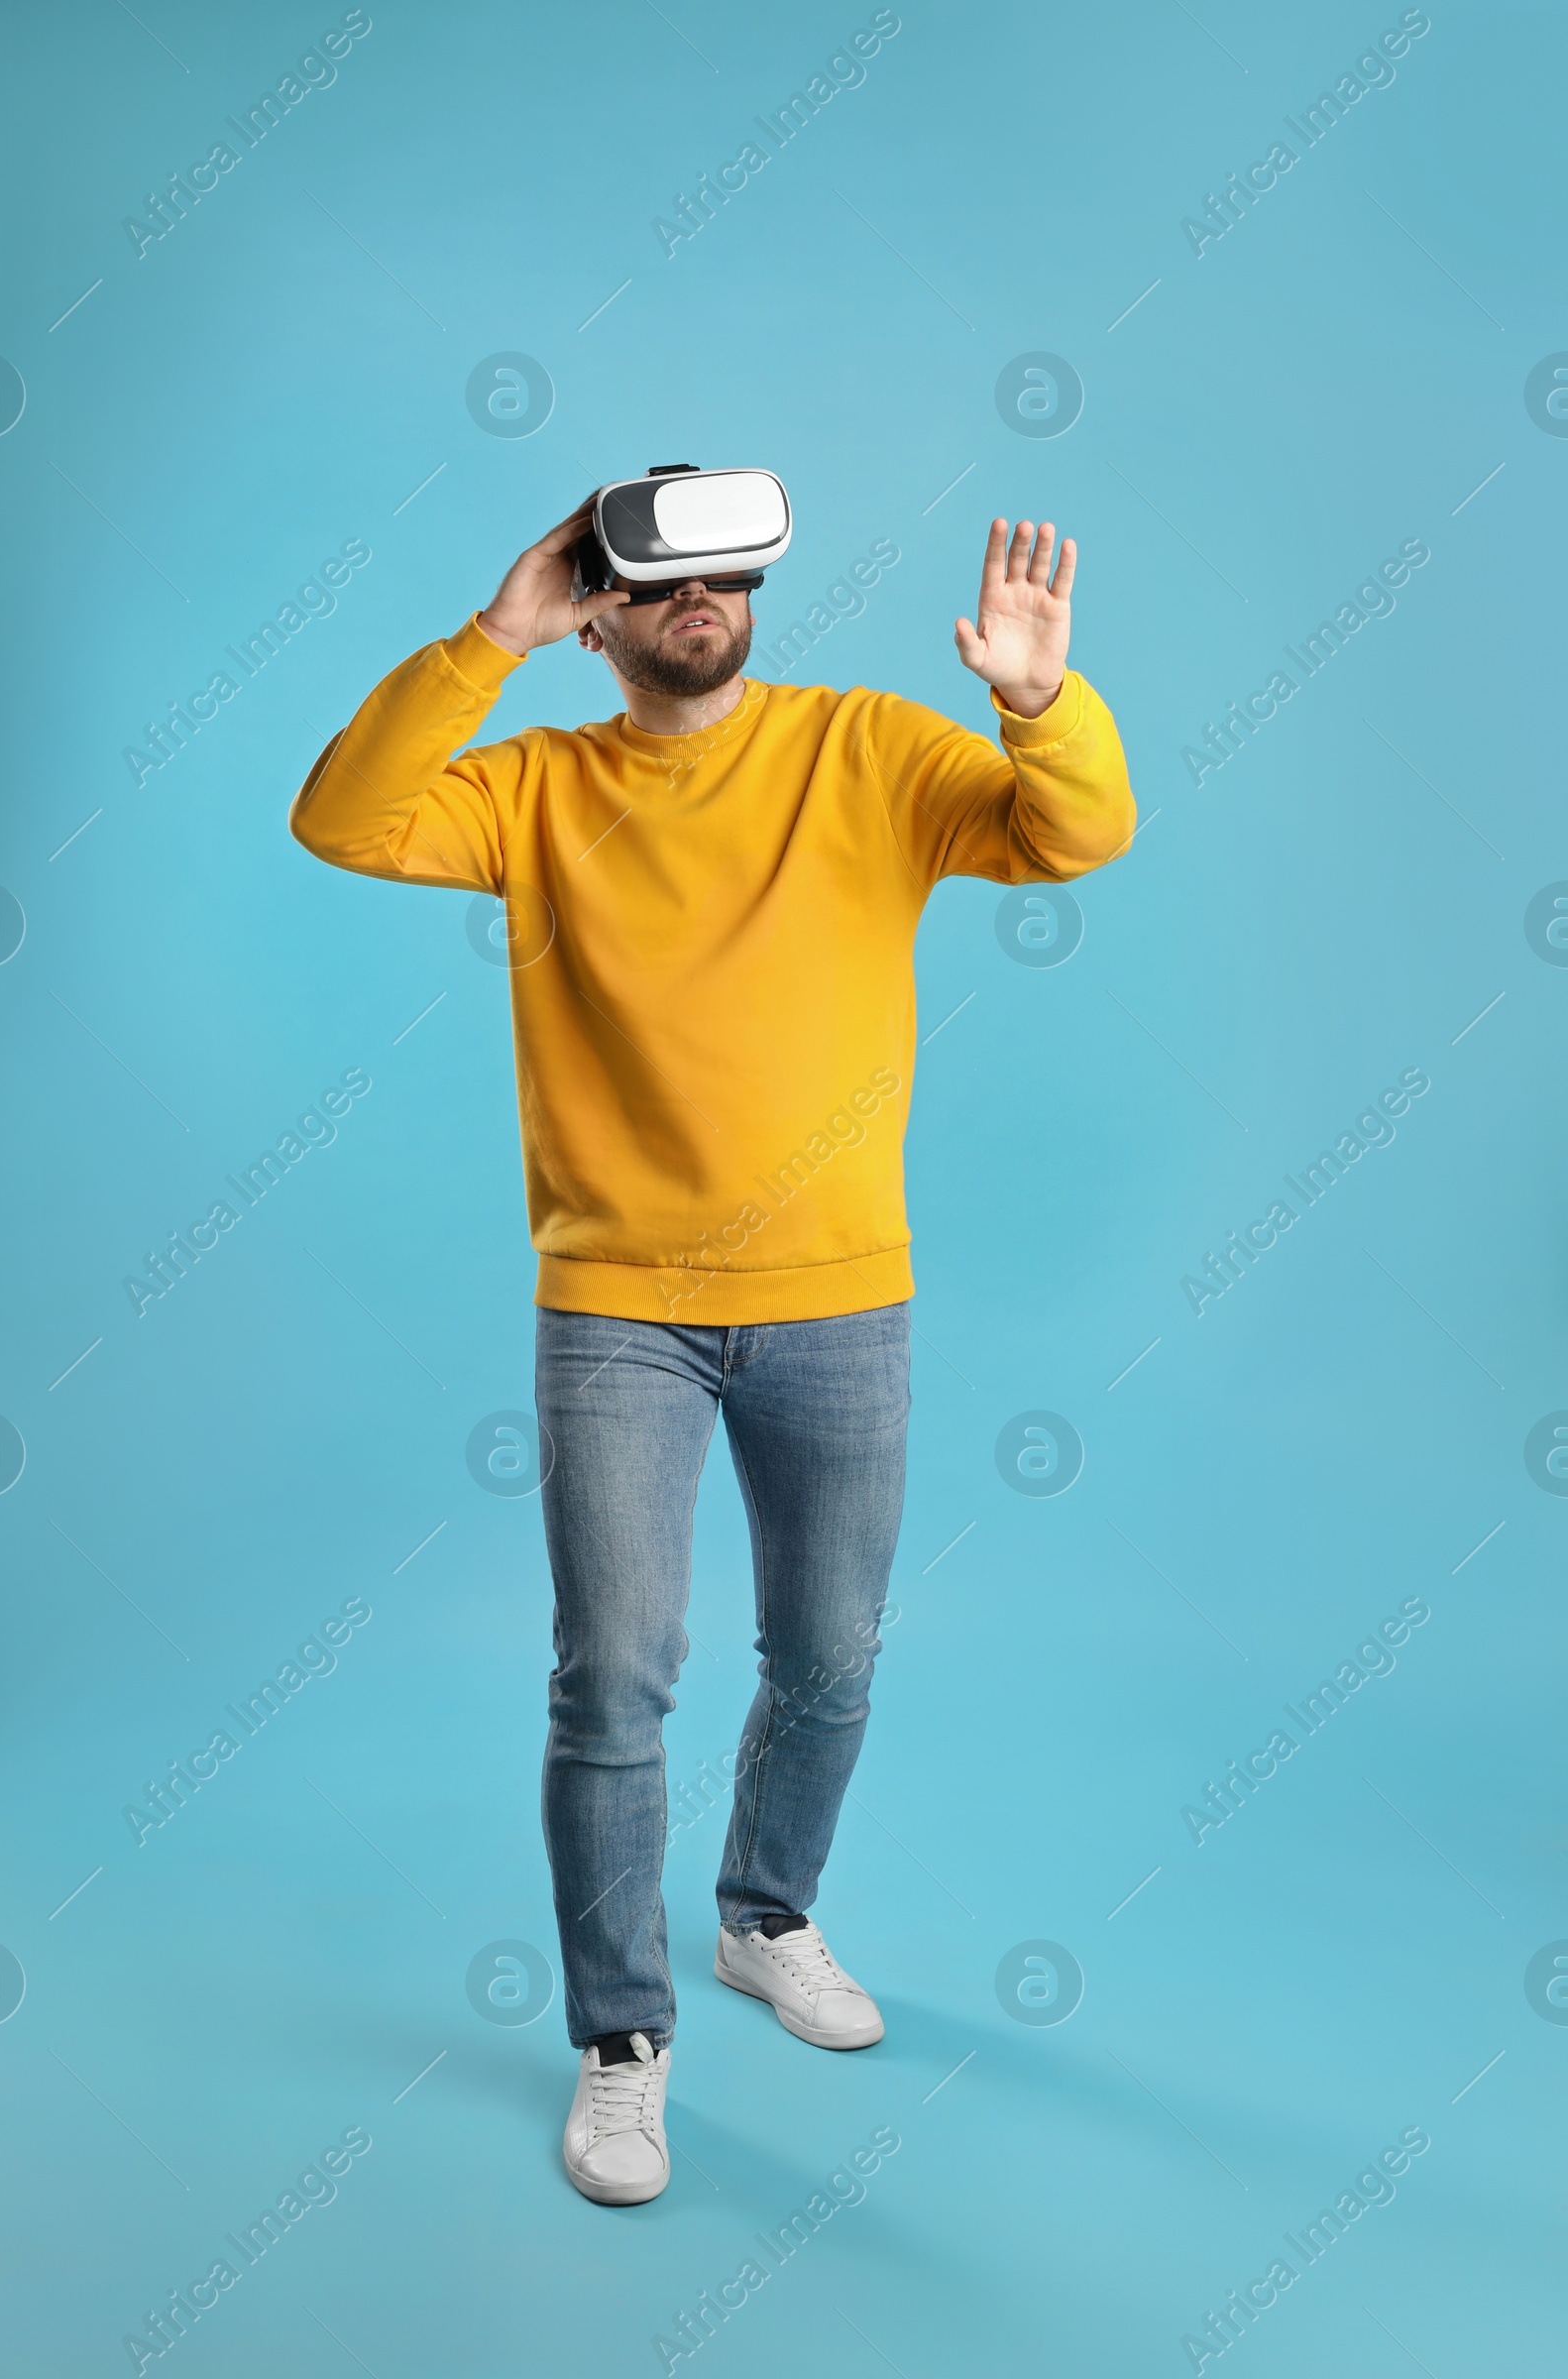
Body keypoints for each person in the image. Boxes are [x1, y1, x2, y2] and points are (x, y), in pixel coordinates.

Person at [289, 486, 1134, 2205]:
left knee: (828, 1654)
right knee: (614, 1673)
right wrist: (494, 636)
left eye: (732, 570)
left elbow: (1075, 839)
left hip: (842, 1292)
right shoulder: (532, 789)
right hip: (617, 1307)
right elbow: (344, 818)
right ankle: (621, 2041)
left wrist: (1040, 701)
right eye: (659, 575)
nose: (706, 595)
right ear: (602, 610)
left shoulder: (866, 753)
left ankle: (768, 1916)